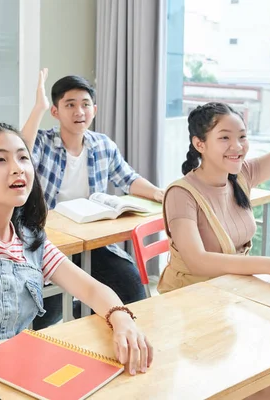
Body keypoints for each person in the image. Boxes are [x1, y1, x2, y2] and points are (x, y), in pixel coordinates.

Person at [0, 0, 152, 375]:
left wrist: (121, 317)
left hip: (16, 375)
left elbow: (91, 290)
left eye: (23, 157)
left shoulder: (30, 240)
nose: (18, 168)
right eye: (0, 159)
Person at [161, 32, 270, 399]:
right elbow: (198, 261)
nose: (237, 146)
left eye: (242, 137)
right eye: (224, 138)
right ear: (199, 144)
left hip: (232, 297)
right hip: (190, 307)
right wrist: (269, 265)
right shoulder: (180, 194)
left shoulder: (243, 175)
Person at [21, 69, 164, 328]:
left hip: (92, 242)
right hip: (52, 246)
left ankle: (119, 333)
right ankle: (79, 310)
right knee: (44, 316)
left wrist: (157, 193)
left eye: (85, 105)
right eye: (70, 105)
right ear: (55, 112)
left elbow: (128, 179)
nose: (79, 112)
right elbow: (20, 153)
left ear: (94, 110)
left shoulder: (102, 145)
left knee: (132, 288)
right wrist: (38, 108)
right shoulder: (43, 142)